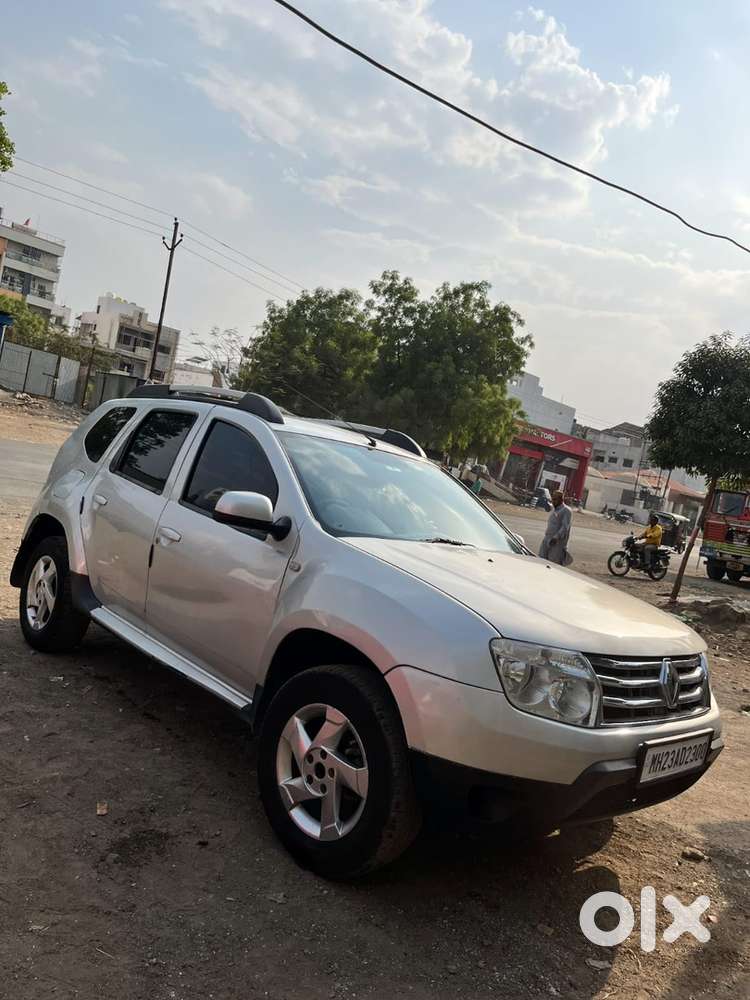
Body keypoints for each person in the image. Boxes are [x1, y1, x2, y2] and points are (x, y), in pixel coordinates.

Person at [539, 490, 572, 565]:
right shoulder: (554, 509)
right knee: (541, 561)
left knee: (552, 564)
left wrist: (556, 537)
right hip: (547, 538)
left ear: (561, 500)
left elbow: (565, 527)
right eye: (552, 499)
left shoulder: (566, 510)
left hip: (557, 542)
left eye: (555, 499)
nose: (553, 501)